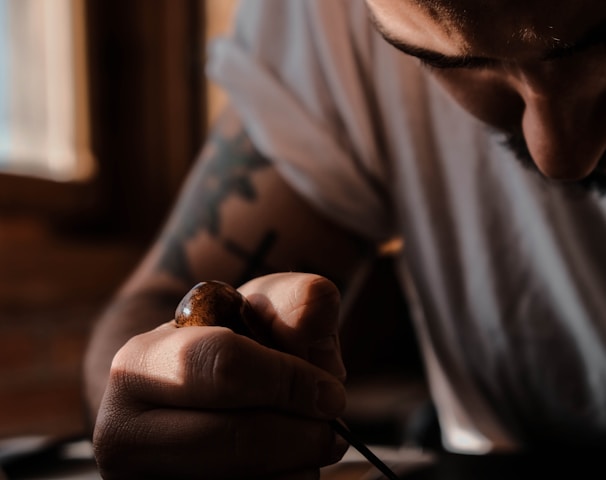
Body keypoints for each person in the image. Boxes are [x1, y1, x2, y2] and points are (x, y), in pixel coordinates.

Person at [83, 0, 606, 478]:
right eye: (448, 63)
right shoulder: (328, 21)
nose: (556, 156)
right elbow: (159, 311)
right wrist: (177, 408)